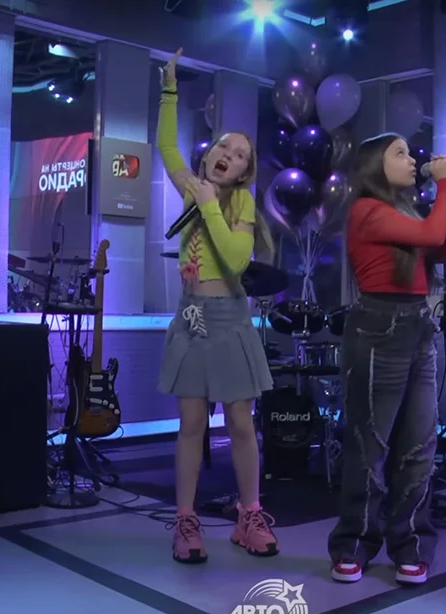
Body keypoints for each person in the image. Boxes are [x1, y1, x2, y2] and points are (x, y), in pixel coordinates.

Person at [156, 48, 279, 564]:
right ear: (209, 154)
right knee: (191, 425)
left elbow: (234, 259)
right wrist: (169, 89)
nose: (229, 152)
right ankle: (186, 521)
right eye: (223, 144)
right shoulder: (190, 187)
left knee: (241, 424)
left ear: (244, 171)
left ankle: (249, 515)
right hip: (191, 318)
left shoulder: (240, 202)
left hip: (230, 320)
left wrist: (209, 206)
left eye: (241, 153)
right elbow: (167, 146)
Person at [327, 134, 446, 586]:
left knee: (420, 445)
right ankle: (353, 544)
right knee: (370, 445)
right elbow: (433, 234)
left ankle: (411, 544)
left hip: (418, 326)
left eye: (410, 153)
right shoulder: (367, 210)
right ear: (374, 166)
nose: (412, 160)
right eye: (400, 153)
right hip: (377, 327)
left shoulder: (407, 212)